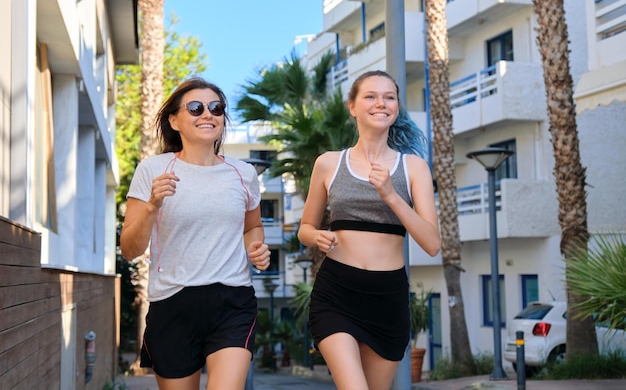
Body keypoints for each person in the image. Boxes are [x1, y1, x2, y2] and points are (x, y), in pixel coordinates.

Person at [120, 77, 271, 390]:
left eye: (216, 108)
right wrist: (152, 206)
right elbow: (130, 249)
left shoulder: (243, 173)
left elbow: (252, 227)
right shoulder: (153, 170)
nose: (208, 114)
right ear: (174, 120)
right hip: (172, 301)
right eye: (195, 107)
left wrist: (256, 247)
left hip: (233, 299)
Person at [298, 70, 441, 390]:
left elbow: (432, 243)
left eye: (389, 97)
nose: (381, 103)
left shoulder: (414, 167)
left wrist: (391, 195)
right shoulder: (329, 163)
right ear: (353, 106)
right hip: (337, 292)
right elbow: (304, 228)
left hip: (387, 296)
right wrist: (316, 236)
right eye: (371, 96)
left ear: (397, 107)